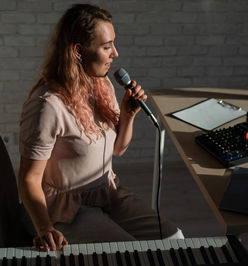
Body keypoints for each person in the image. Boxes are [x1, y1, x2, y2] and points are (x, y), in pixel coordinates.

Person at [18, 3, 183, 251]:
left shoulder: (102, 84)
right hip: (66, 210)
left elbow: (117, 149)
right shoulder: (47, 105)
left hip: (107, 192)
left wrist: (128, 115)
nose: (115, 53)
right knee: (128, 252)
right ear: (78, 51)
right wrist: (44, 228)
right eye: (107, 47)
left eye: (113, 44)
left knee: (174, 238)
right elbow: (29, 178)